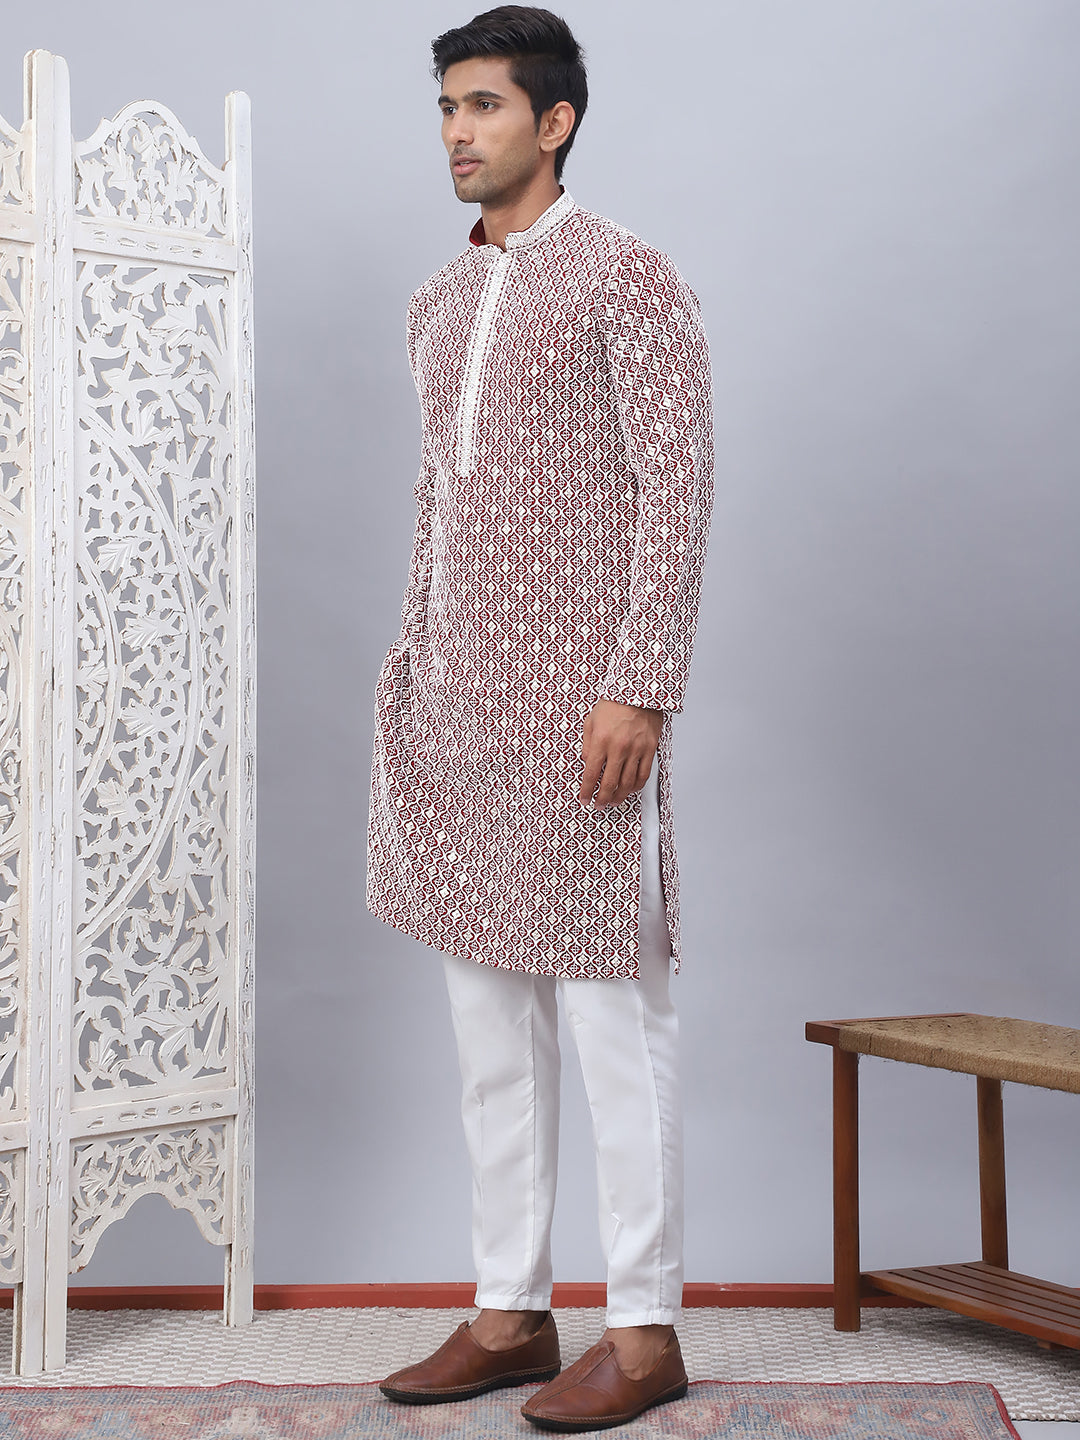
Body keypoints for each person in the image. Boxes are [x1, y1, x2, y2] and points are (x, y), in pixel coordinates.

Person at [366, 5, 715, 1430]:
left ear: (554, 121)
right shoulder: (437, 301)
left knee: (615, 1023)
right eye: (448, 107)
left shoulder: (628, 277)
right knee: (487, 1033)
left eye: (486, 106)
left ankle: (644, 1332)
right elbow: (439, 506)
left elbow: (676, 490)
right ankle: (510, 1311)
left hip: (584, 713)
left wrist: (641, 683)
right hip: (458, 711)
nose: (459, 131)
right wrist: (412, 675)